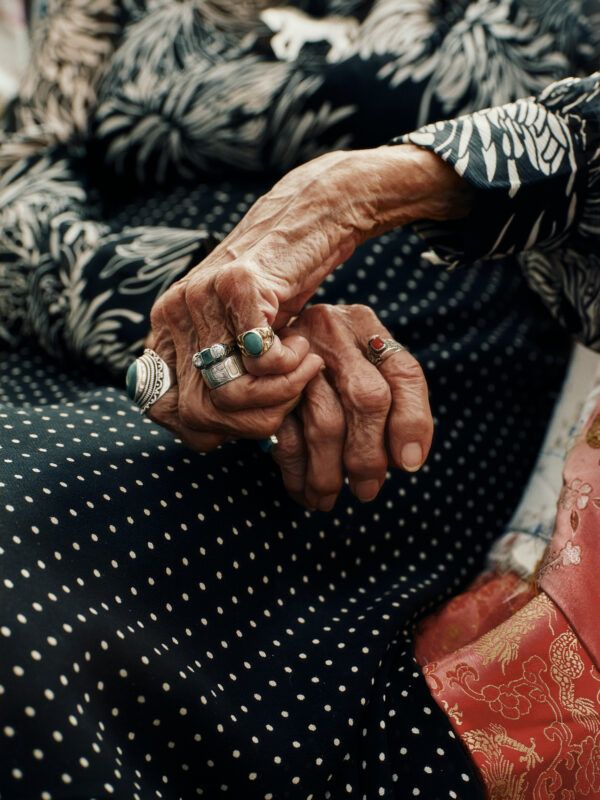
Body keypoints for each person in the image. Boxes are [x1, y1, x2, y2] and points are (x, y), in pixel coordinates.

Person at [0, 1, 599, 798]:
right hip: (112, 336)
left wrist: (352, 188)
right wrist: (209, 316)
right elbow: (21, 180)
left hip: (385, 367)